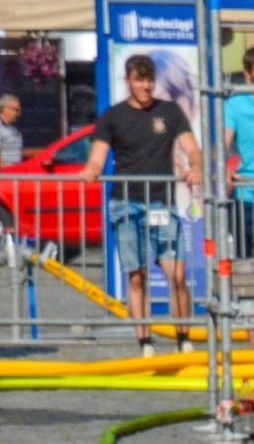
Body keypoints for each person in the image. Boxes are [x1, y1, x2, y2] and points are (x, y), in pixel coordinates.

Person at [80, 53, 202, 357]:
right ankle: (145, 342)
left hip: (161, 203)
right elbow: (97, 157)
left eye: (149, 80)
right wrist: (91, 170)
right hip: (126, 203)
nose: (146, 86)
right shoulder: (112, 116)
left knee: (176, 273)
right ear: (128, 82)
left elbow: (192, 149)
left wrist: (195, 167)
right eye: (139, 80)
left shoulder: (170, 112)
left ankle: (183, 336)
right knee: (137, 275)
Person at [223, 45, 254, 257]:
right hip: (246, 192)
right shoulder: (234, 104)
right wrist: (224, 171)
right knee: (247, 257)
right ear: (247, 75)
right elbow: (223, 143)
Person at [0, 94, 22, 166]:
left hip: (15, 172)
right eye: (16, 110)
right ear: (5, 109)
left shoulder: (13, 129)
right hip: (3, 172)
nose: (19, 114)